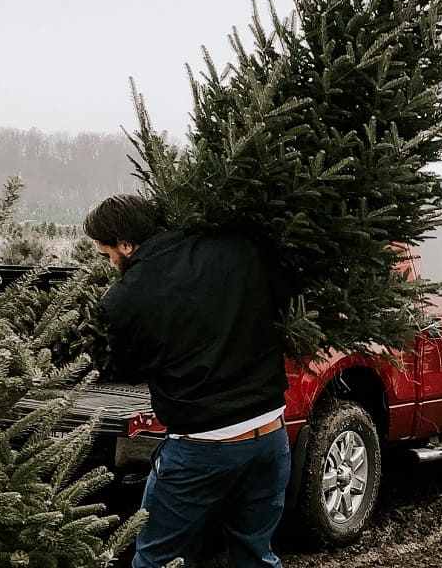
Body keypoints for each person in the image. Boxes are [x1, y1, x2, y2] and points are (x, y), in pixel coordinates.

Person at [84, 194, 291, 568]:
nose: (110, 263)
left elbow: (128, 370)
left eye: (107, 253)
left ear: (126, 244)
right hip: (271, 434)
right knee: (256, 556)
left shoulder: (124, 300)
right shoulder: (237, 247)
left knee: (156, 558)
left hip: (201, 447)